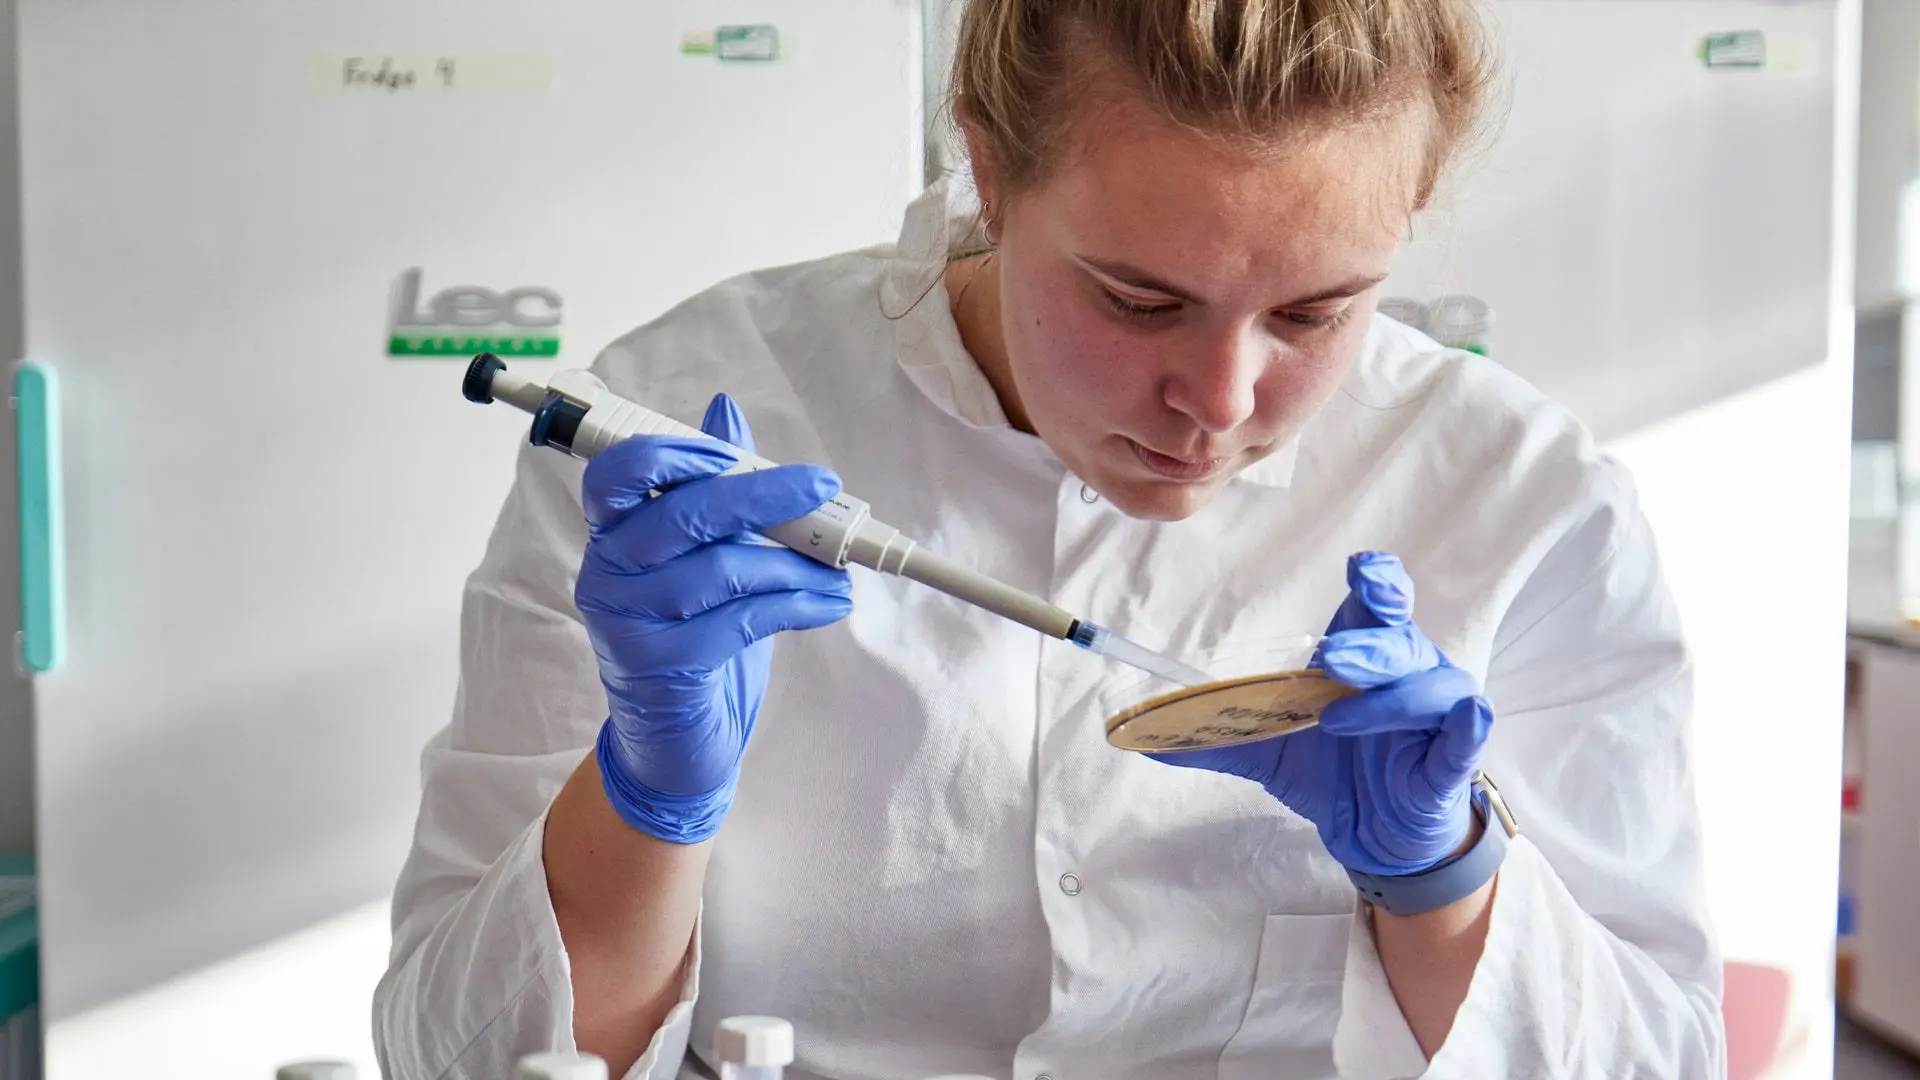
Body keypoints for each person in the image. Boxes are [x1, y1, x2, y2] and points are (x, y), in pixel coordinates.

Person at [374, 0, 1725, 1077]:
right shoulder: (684, 434)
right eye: (1140, 299)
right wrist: (643, 800)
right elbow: (450, 1062)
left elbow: (1660, 1063)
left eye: (1316, 314)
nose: (1222, 398)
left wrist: (1442, 883)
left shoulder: (1522, 501)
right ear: (988, 158)